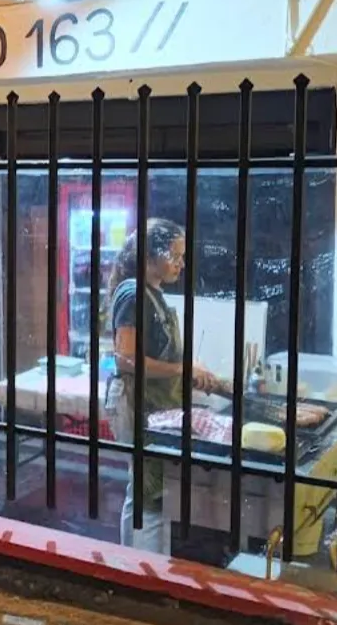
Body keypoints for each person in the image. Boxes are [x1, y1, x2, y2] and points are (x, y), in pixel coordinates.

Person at [105, 218, 226, 554]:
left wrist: (194, 373)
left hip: (154, 406)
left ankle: (129, 564)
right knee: (152, 495)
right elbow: (125, 360)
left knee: (143, 490)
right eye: (175, 255)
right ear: (150, 255)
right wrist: (182, 368)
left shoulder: (151, 295)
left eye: (182, 256)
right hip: (137, 404)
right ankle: (145, 573)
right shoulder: (133, 294)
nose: (181, 264)